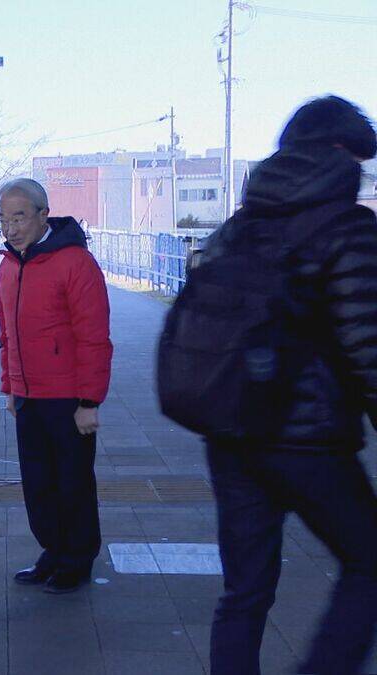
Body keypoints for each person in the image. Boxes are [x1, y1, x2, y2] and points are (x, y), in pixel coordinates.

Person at [191, 96, 377, 675]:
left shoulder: (239, 225)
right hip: (308, 438)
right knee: (370, 564)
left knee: (244, 592)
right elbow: (367, 343)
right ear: (339, 152)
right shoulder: (348, 228)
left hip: (231, 431)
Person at [0, 178, 113, 594]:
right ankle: (54, 550)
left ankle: (77, 560)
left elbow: (94, 336)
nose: (11, 229)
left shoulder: (76, 263)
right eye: (3, 220)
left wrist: (89, 401)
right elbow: (6, 335)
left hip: (67, 398)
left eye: (19, 218)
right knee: (38, 484)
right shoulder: (8, 266)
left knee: (73, 483)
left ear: (44, 215)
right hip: (28, 396)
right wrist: (11, 387)